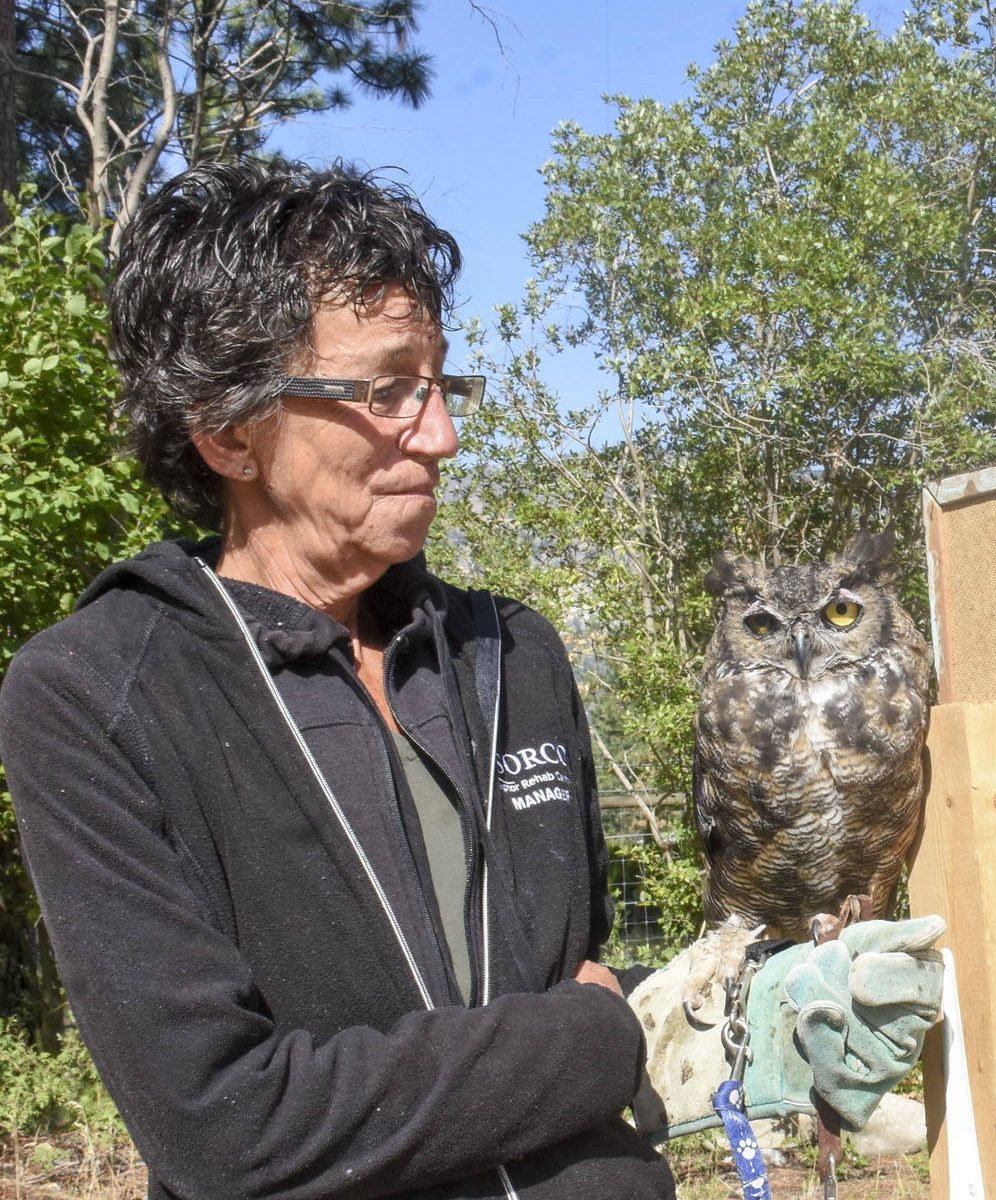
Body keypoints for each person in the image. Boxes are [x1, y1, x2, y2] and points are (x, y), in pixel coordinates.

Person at [0, 161, 938, 1200]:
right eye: (387, 390)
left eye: (442, 385)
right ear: (228, 430)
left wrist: (730, 1017)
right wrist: (596, 1040)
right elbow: (226, 1130)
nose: (440, 434)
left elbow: (555, 981)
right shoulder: (100, 692)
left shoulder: (512, 651)